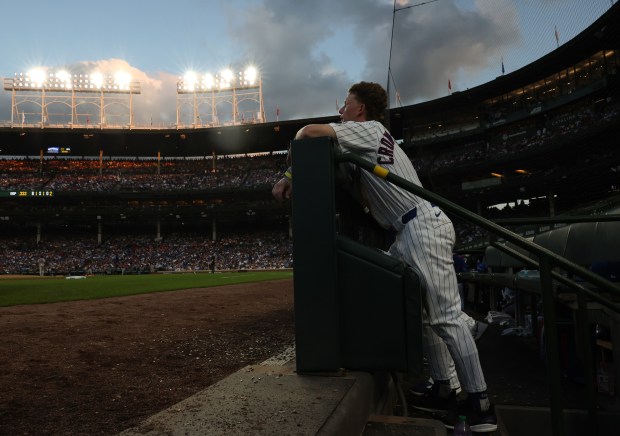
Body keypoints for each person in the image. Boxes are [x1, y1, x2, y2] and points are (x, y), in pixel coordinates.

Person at [272, 81, 496, 432]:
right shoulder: (364, 135)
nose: (341, 110)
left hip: (420, 225)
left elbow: (310, 132)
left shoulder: (367, 128)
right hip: (407, 230)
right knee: (424, 317)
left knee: (447, 318)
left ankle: (481, 404)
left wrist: (288, 168)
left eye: (345, 104)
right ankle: (443, 388)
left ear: (360, 109)